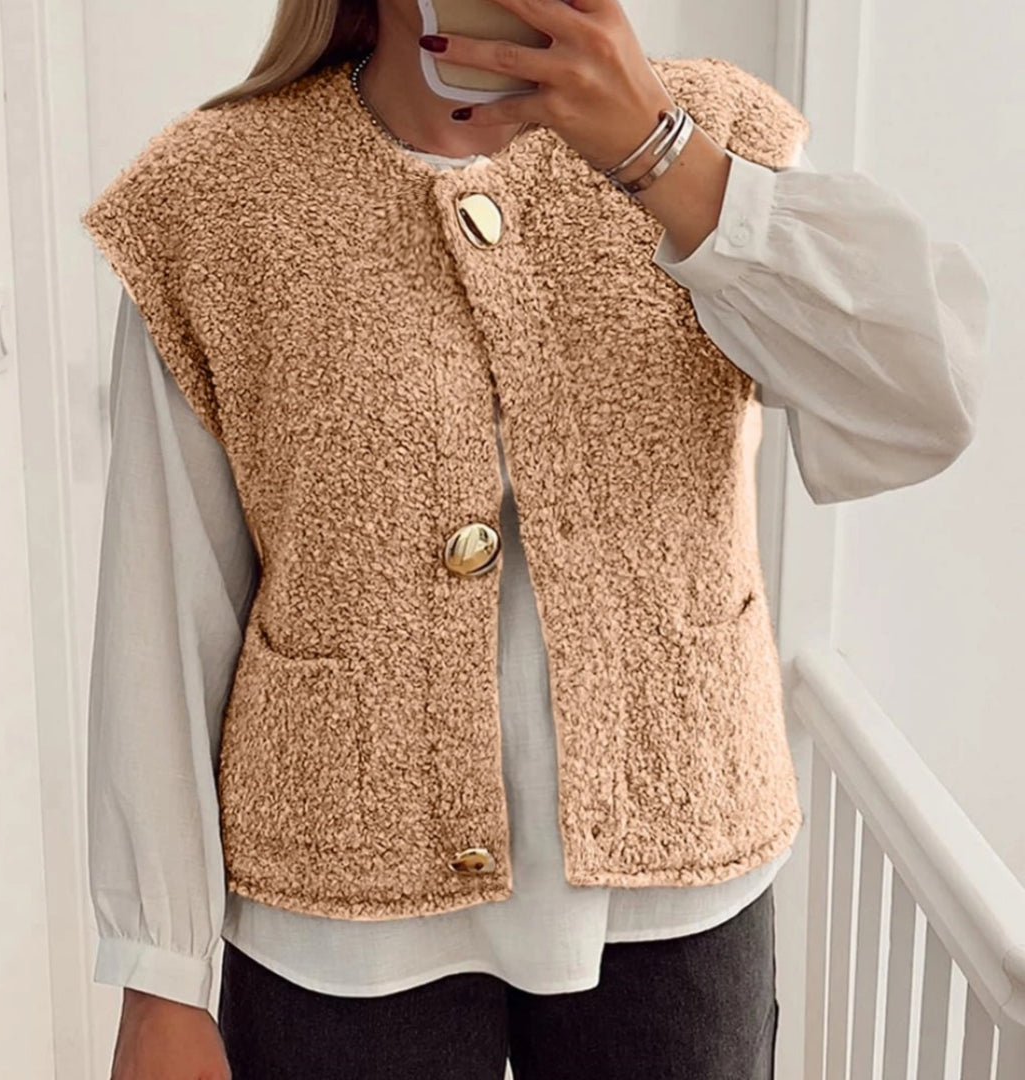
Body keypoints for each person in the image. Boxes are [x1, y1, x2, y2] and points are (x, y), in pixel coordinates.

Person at [82, 1, 990, 1078]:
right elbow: (162, 606)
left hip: (679, 886)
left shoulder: (719, 136)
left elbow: (923, 401)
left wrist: (663, 156)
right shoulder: (214, 195)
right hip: (338, 906)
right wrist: (159, 976)